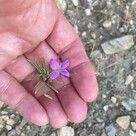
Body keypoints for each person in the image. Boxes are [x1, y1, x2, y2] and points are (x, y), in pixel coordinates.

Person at [0, 0, 98, 128]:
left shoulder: (58, 71)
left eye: (57, 69)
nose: (57, 69)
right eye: (56, 68)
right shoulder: (54, 70)